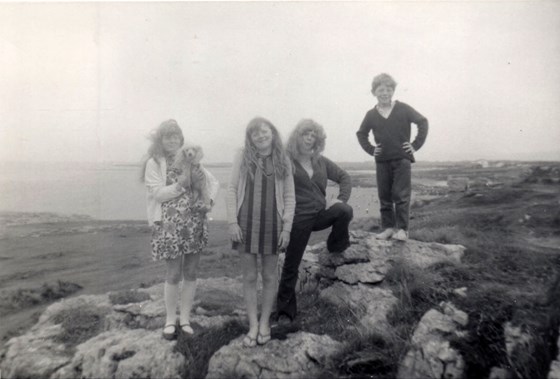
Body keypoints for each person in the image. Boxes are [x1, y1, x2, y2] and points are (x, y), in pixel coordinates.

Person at [143, 119, 219, 340]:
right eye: (168, 136)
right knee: (174, 273)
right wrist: (181, 185)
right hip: (169, 225)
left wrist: (209, 204)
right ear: (161, 139)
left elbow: (212, 184)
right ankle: (169, 320)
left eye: (176, 136)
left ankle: (185, 319)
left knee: (192, 272)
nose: (172, 140)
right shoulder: (154, 162)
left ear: (181, 139)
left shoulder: (192, 159)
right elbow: (157, 194)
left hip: (194, 221)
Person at [275, 119, 353, 323]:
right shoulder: (286, 160)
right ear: (297, 137)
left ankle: (336, 244)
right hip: (298, 219)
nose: (309, 139)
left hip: (320, 214)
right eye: (305, 134)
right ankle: (285, 312)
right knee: (292, 264)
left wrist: (340, 198)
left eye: (313, 136)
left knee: (344, 210)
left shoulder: (321, 161)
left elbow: (345, 177)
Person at [227, 117, 295, 347]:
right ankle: (253, 325)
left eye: (264, 131)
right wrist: (231, 223)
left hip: (273, 224)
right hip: (244, 222)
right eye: (255, 133)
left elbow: (289, 197)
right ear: (250, 138)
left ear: (272, 133)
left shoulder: (282, 158)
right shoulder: (242, 157)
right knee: (248, 277)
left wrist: (287, 228)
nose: (260, 136)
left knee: (268, 276)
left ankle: (265, 322)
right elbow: (232, 189)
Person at [356, 73, 429, 241]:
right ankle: (388, 228)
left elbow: (423, 122)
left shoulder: (403, 108)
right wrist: (371, 149)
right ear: (374, 92)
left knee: (401, 195)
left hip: (402, 159)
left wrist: (415, 145)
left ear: (393, 91)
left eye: (389, 89)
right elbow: (361, 134)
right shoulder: (371, 114)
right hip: (382, 160)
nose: (385, 93)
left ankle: (403, 230)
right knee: (385, 195)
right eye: (381, 90)